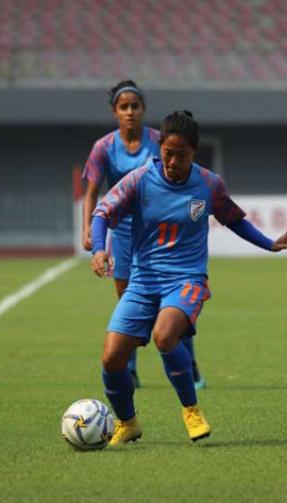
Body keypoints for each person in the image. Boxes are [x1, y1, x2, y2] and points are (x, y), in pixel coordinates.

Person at [90, 111, 287, 445]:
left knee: (164, 336)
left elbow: (233, 219)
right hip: (143, 282)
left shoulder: (208, 184)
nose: (173, 162)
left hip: (187, 279)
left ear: (195, 152)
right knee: (111, 358)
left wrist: (269, 243)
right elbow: (102, 213)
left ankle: (191, 410)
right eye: (167, 154)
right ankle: (128, 422)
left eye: (182, 155)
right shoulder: (139, 180)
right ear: (159, 149)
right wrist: (100, 250)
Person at [82, 80, 206, 390]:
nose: (130, 112)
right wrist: (89, 230)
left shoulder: (159, 141)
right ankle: (130, 369)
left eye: (135, 106)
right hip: (122, 235)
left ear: (143, 109)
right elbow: (92, 192)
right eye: (123, 107)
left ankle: (190, 366)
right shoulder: (103, 147)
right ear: (115, 112)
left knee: (173, 305)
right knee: (130, 301)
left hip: (157, 232)